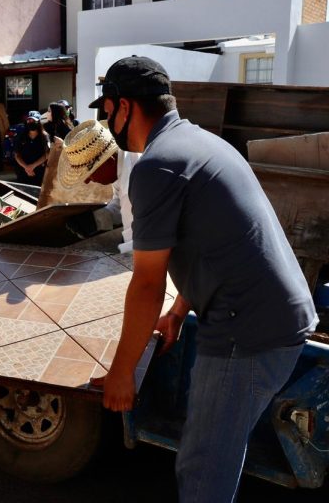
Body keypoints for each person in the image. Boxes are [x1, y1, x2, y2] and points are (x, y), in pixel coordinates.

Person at [89, 56, 318, 502]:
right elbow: (212, 243)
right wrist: (180, 309)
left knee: (204, 467)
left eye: (107, 111)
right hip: (274, 317)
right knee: (212, 452)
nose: (106, 121)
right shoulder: (200, 141)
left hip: (248, 331)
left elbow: (147, 282)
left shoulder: (157, 165)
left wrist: (121, 372)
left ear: (125, 107)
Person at [59, 119, 140, 252]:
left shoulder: (132, 179)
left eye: (89, 173)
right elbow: (121, 204)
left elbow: (136, 245)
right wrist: (97, 219)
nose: (87, 181)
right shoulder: (122, 160)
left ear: (109, 160)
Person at [13, 111, 50, 186]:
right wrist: (26, 168)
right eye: (29, 120)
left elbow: (47, 154)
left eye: (33, 120)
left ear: (38, 121)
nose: (30, 122)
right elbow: (17, 154)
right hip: (23, 171)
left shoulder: (44, 136)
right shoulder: (21, 136)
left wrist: (32, 166)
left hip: (39, 171)